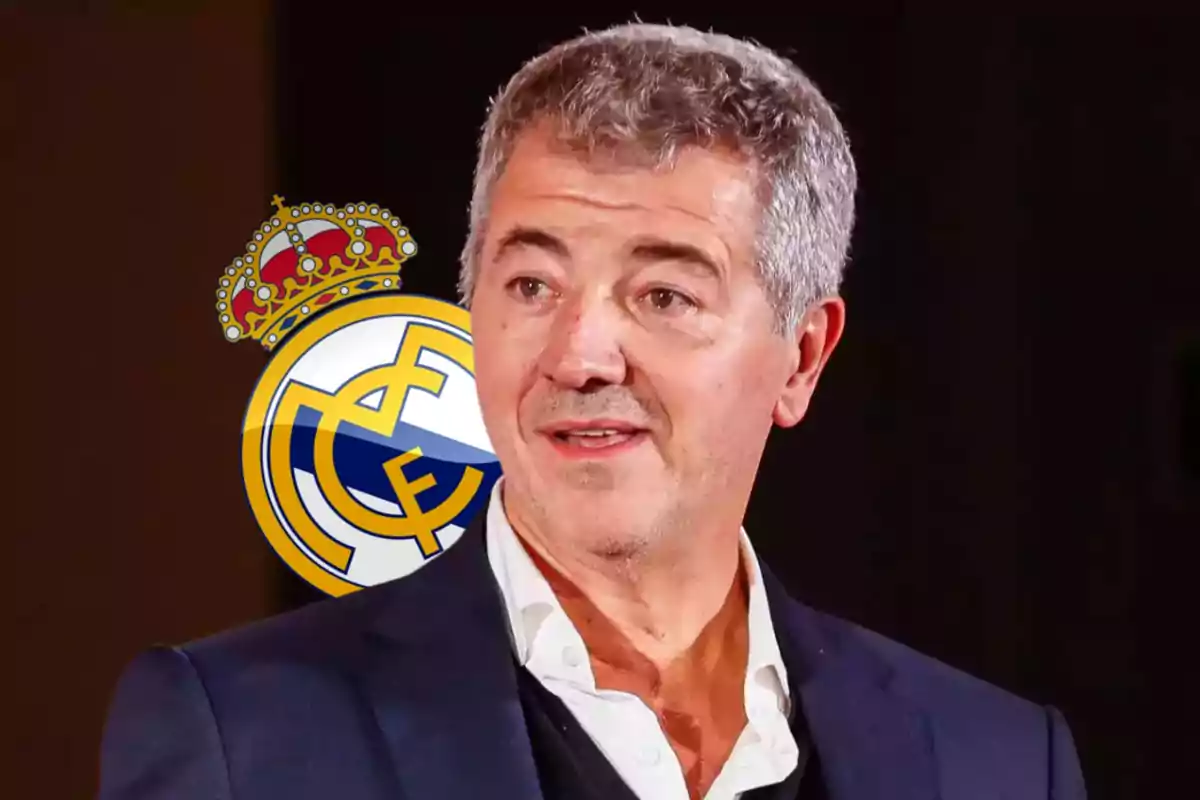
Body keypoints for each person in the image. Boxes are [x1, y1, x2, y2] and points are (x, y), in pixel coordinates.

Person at [98, 22, 1087, 800]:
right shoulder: (240, 738)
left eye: (664, 295)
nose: (577, 354)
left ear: (803, 356)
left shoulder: (996, 760)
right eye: (531, 284)